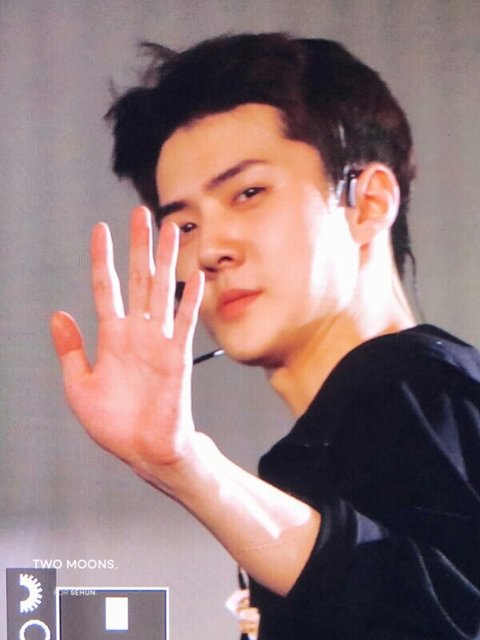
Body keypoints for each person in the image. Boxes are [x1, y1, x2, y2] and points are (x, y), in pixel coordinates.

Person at [50, 33, 480, 639]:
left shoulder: (411, 388)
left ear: (368, 203)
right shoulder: (371, 417)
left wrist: (189, 467)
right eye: (185, 225)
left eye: (249, 193)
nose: (210, 249)